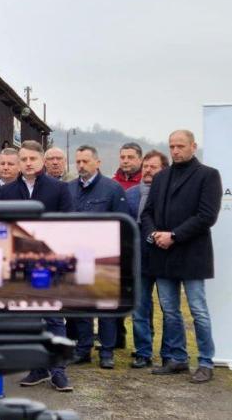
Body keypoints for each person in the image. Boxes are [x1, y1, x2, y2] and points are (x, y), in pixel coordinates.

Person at [142, 130, 222, 383]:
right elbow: (147, 213)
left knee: (198, 310)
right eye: (172, 146)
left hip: (191, 254)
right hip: (163, 254)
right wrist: (154, 234)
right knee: (170, 310)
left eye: (180, 146)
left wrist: (174, 235)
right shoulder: (161, 177)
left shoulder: (208, 175)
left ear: (193, 146)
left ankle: (206, 362)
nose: (175, 151)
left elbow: (207, 216)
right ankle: (177, 358)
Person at [0, 140, 74, 392]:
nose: (28, 163)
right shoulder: (8, 192)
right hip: (22, 264)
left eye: (32, 159)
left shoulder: (59, 189)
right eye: (24, 159)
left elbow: (68, 225)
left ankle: (58, 371)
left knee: (54, 318)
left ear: (42, 160)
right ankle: (38, 368)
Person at [66, 145, 130, 370]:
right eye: (78, 162)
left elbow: (124, 224)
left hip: (105, 256)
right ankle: (83, 349)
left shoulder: (112, 189)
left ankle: (106, 351)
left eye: (85, 161)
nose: (81, 166)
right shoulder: (69, 189)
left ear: (97, 162)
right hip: (79, 256)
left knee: (105, 307)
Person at [126, 150, 170, 369]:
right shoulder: (132, 194)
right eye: (146, 166)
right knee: (140, 308)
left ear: (165, 169)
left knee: (169, 309)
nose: (148, 170)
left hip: (165, 258)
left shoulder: (171, 192)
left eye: (154, 166)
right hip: (139, 259)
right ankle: (143, 352)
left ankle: (168, 353)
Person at [112, 143, 143, 348]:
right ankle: (117, 337)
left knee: (140, 297)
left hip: (139, 247)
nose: (126, 160)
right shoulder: (113, 183)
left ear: (140, 159)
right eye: (123, 157)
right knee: (116, 293)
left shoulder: (147, 183)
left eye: (130, 157)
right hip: (116, 246)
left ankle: (142, 343)